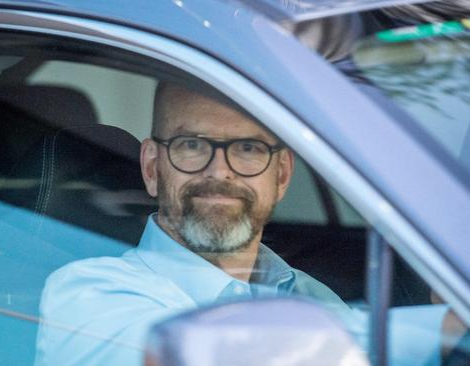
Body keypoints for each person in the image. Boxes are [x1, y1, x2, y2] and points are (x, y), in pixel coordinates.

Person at [35, 82, 447, 365]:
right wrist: (446, 331)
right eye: (191, 145)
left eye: (248, 148)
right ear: (151, 168)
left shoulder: (310, 296)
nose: (221, 172)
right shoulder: (87, 292)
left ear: (282, 175)